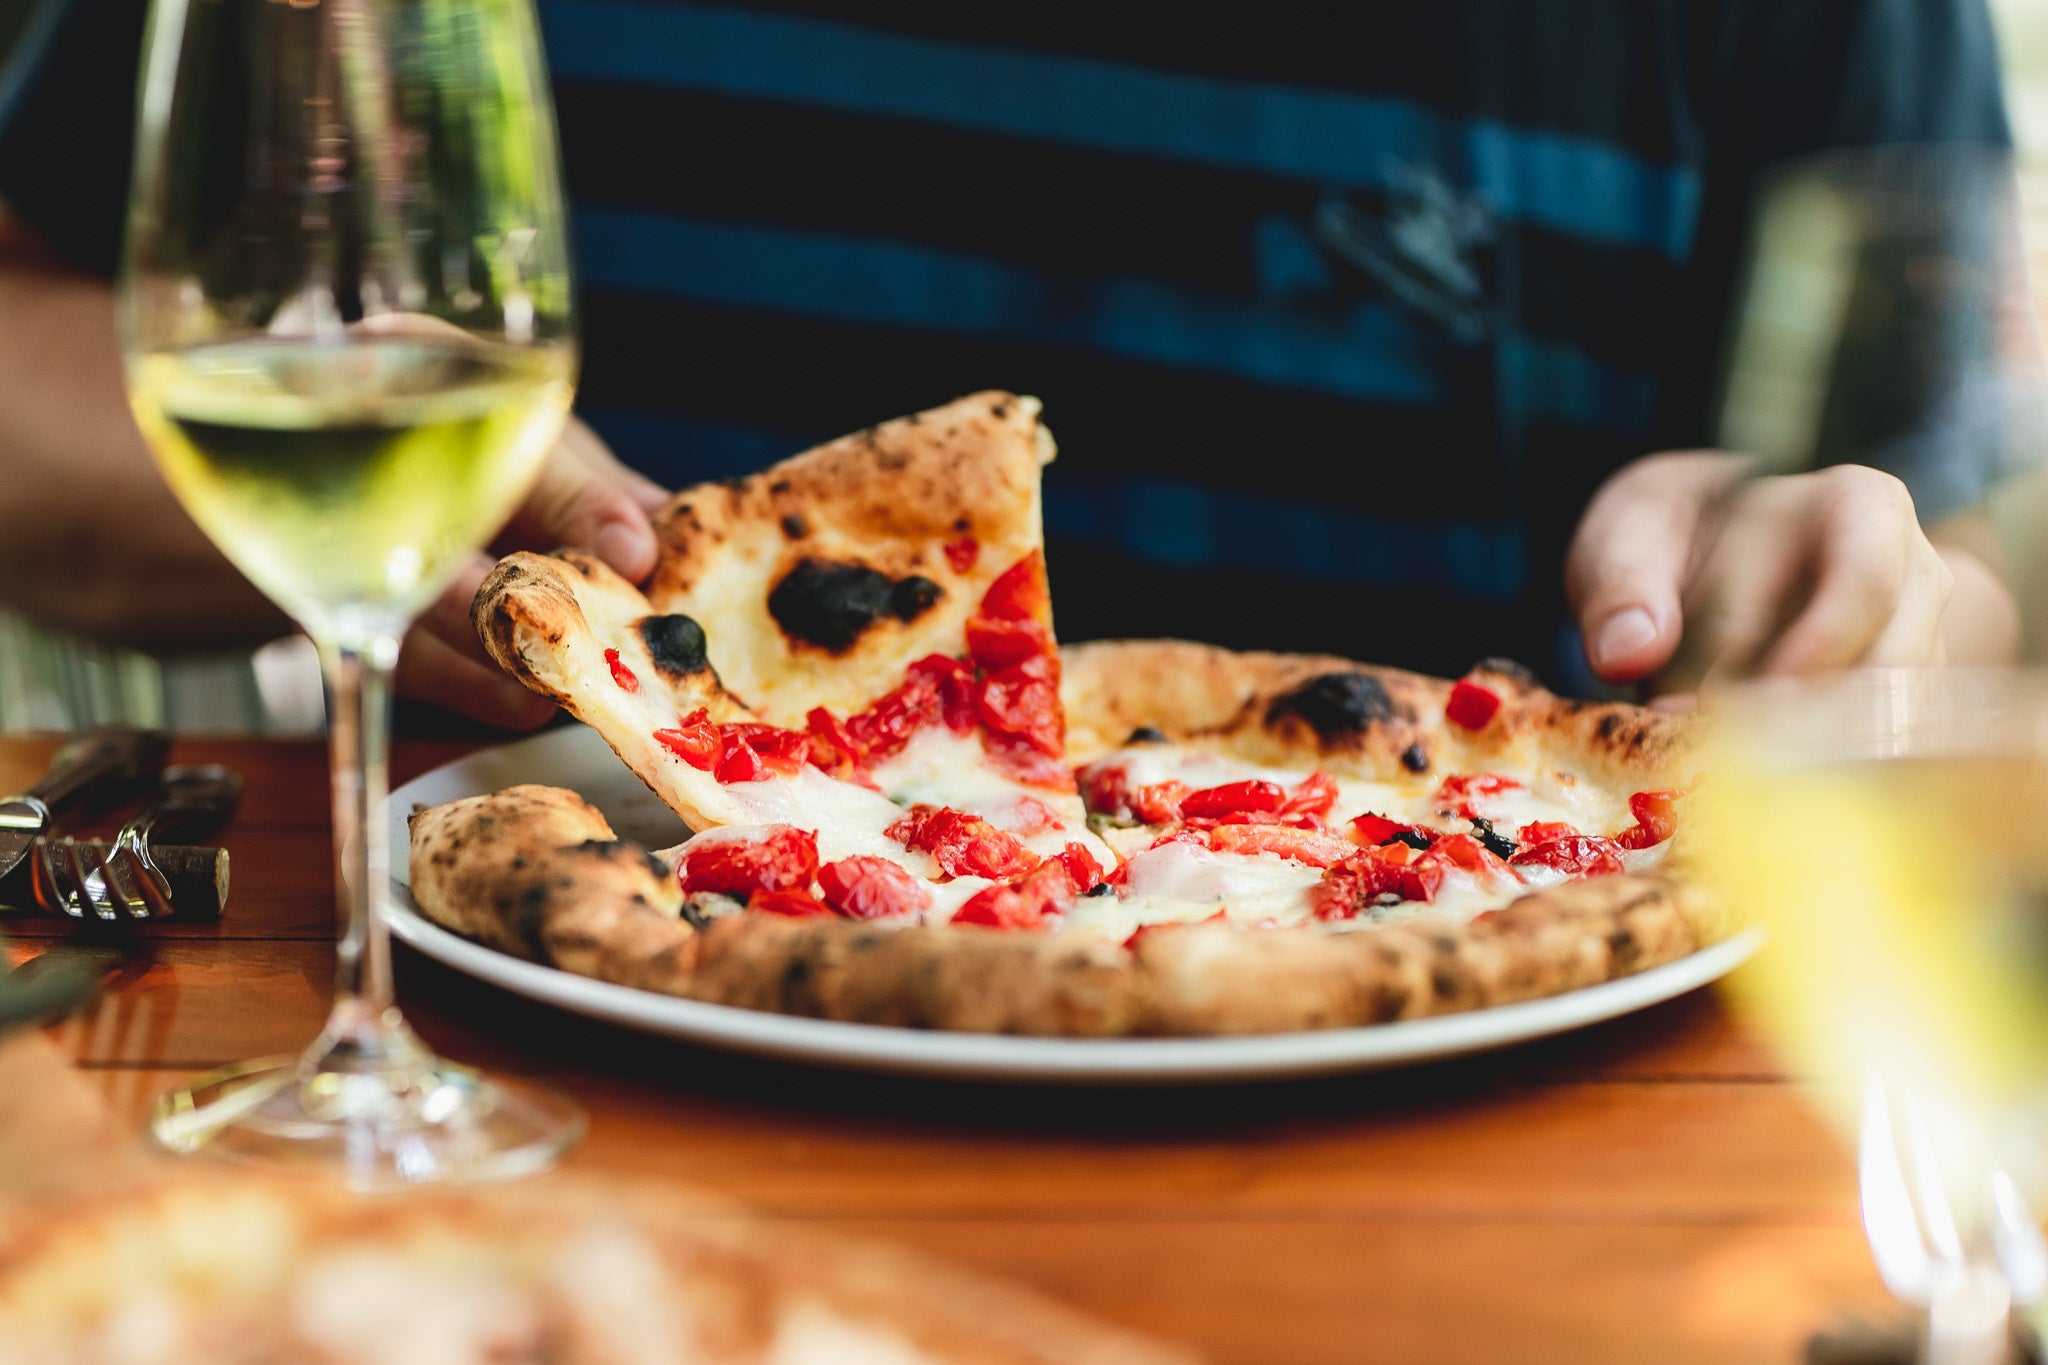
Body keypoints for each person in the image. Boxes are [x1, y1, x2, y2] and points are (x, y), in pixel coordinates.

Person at [0, 0, 2022, 731]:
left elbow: (1983, 523)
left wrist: (1887, 586)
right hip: (550, 1092)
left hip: (1501, 1119)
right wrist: (383, 506)